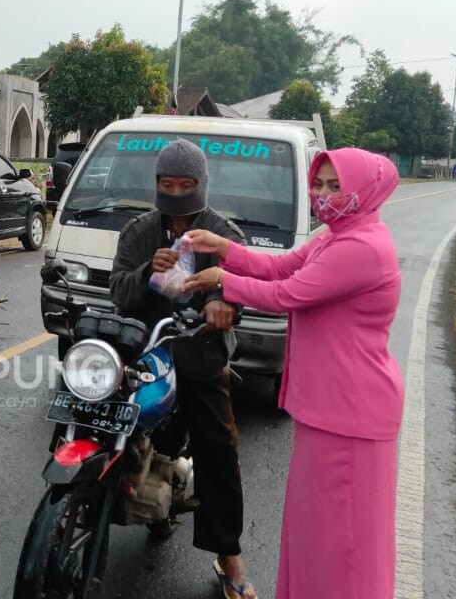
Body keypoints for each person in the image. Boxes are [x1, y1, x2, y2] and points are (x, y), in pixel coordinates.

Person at [181, 148, 403, 599]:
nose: (323, 196)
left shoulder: (362, 247)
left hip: (352, 414)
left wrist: (221, 280)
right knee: (314, 533)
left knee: (346, 543)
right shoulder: (335, 236)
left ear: (365, 189)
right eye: (318, 185)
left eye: (334, 185)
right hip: (328, 409)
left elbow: (288, 292)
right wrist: (224, 248)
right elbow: (281, 265)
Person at [107, 138, 256, 599]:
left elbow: (241, 285)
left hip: (199, 354)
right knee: (96, 416)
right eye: (166, 184)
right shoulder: (139, 231)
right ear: (155, 185)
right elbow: (119, 292)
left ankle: (228, 555)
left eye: (184, 184)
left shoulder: (221, 232)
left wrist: (220, 304)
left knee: (219, 450)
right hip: (145, 354)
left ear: (200, 184)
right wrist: (148, 275)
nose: (174, 192)